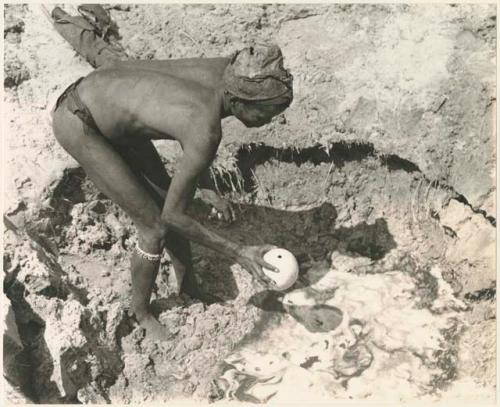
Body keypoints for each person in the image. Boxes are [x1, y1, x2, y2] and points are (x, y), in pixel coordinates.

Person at [50, 7, 294, 341]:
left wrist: (206, 186)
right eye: (267, 113)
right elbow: (175, 215)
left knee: (169, 198)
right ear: (241, 101)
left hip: (114, 103)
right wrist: (241, 252)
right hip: (80, 121)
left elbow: (183, 122)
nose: (270, 121)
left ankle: (189, 286)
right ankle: (140, 312)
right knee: (155, 225)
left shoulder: (226, 71)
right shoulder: (205, 129)